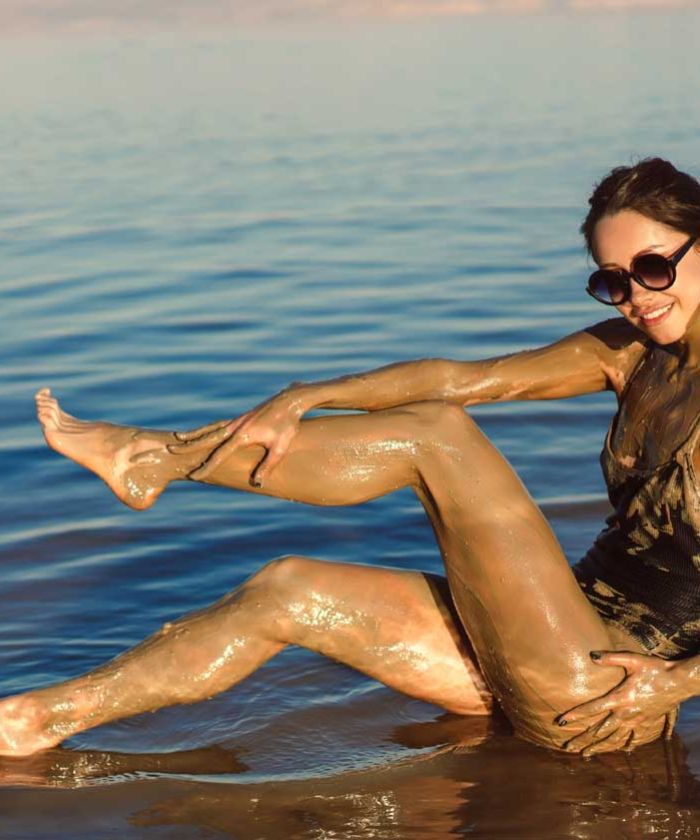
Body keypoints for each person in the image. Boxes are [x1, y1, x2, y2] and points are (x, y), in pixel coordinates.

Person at [4, 157, 700, 760]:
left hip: (607, 695)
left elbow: (441, 413)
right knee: (289, 588)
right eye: (613, 280)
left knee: (438, 438)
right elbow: (462, 378)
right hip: (536, 650)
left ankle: (152, 458)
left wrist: (675, 682)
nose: (638, 295)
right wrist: (310, 394)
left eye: (652, 266)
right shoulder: (631, 354)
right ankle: (36, 720)